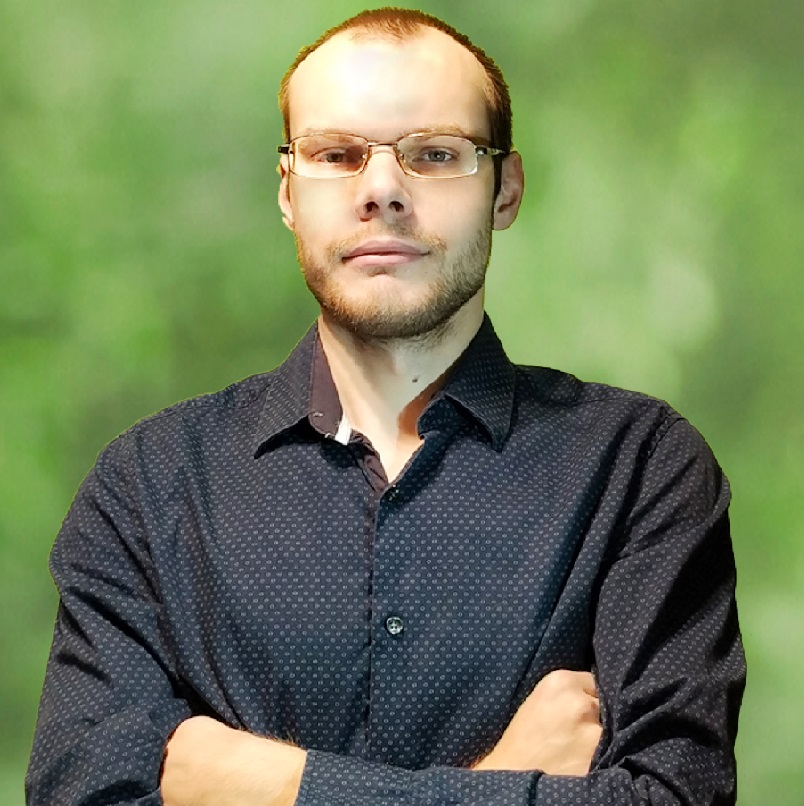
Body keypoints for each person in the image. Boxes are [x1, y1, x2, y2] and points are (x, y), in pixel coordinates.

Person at [26, 8, 745, 805]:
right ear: (289, 192)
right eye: (335, 154)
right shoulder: (147, 489)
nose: (381, 191)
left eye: (435, 154)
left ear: (505, 189)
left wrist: (272, 785)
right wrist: (497, 783)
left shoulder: (640, 470)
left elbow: (675, 796)